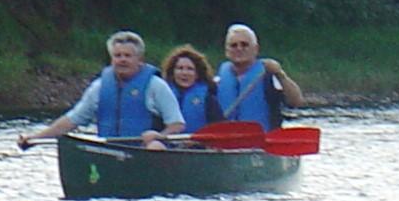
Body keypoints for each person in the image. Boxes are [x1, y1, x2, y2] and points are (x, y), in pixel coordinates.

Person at [17, 30, 184, 150]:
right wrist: (35, 138)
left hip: (146, 149)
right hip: (110, 150)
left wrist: (159, 135)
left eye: (127, 56)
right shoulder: (99, 87)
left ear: (139, 59)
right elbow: (71, 121)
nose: (122, 60)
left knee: (155, 146)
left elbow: (176, 124)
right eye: (117, 56)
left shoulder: (156, 85)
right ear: (111, 59)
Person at [216, 23, 304, 131]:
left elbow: (296, 102)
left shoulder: (269, 74)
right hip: (226, 143)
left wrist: (280, 75)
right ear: (227, 51)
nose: (239, 49)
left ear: (256, 49)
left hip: (262, 142)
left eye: (244, 45)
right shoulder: (218, 80)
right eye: (234, 45)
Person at [160, 45, 222, 134]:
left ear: (197, 74)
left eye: (190, 69)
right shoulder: (161, 95)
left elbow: (218, 127)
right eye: (180, 68)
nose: (184, 73)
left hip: (198, 146)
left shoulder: (208, 99)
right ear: (172, 73)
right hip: (166, 146)